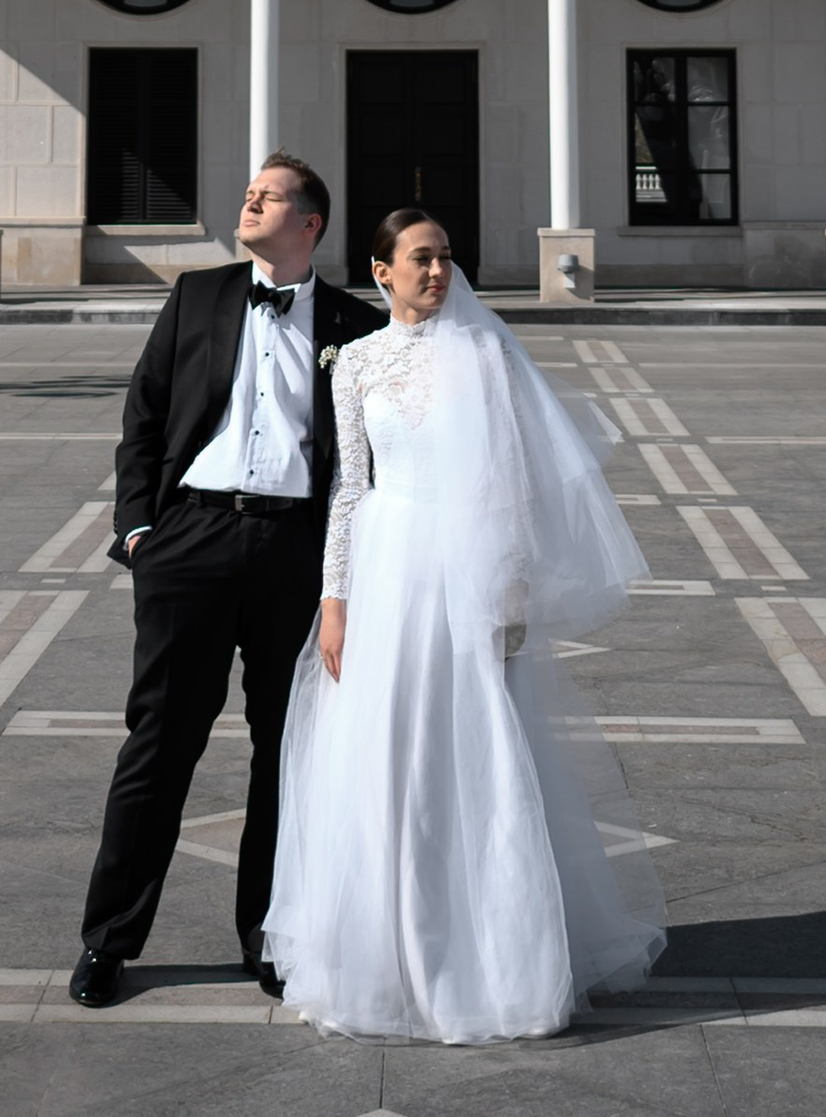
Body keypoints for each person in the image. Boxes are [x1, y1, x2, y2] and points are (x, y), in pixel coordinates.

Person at [263, 209, 666, 1043]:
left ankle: (493, 963)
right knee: (386, 755)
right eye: (421, 257)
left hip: (468, 571)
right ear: (382, 271)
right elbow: (349, 488)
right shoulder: (356, 362)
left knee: (475, 751)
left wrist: (508, 593)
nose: (439, 270)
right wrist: (334, 601)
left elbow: (513, 481)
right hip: (385, 571)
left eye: (446, 256)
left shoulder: (487, 354)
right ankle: (383, 960)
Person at [68, 152, 384, 1009]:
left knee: (288, 752)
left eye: (268, 196)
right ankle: (108, 941)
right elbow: (144, 413)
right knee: (159, 744)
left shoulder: (355, 327)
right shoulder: (197, 295)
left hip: (296, 553)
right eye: (249, 192)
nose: (249, 202)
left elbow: (370, 457)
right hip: (191, 542)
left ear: (310, 223)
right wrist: (139, 528)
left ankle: (268, 937)